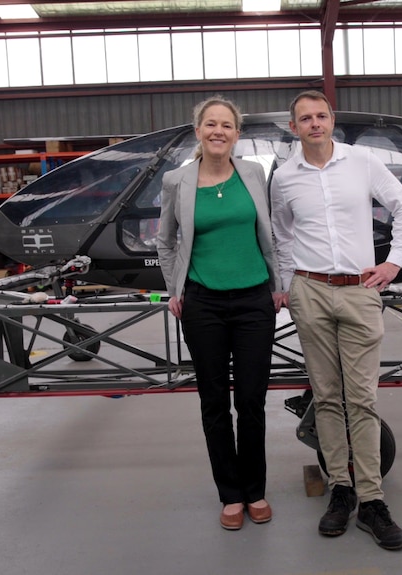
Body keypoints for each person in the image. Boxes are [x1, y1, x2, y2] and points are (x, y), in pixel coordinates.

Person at [270, 90, 402, 551]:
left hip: (359, 290)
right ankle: (340, 490)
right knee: (328, 398)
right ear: (293, 128)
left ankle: (372, 500)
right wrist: (287, 284)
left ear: (331, 121)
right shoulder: (285, 176)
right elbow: (280, 233)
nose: (314, 123)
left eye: (321, 116)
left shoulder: (363, 162)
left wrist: (392, 263)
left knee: (363, 398)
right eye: (305, 118)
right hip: (309, 291)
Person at [156, 95, 281, 531]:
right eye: (211, 124)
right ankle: (230, 495)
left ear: (237, 134)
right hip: (203, 303)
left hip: (253, 302)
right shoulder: (178, 181)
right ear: (198, 131)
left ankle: (255, 490)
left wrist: (277, 285)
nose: (218, 132)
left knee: (251, 400)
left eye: (226, 125)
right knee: (214, 403)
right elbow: (165, 241)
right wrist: (176, 289)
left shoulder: (253, 173)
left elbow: (269, 234)